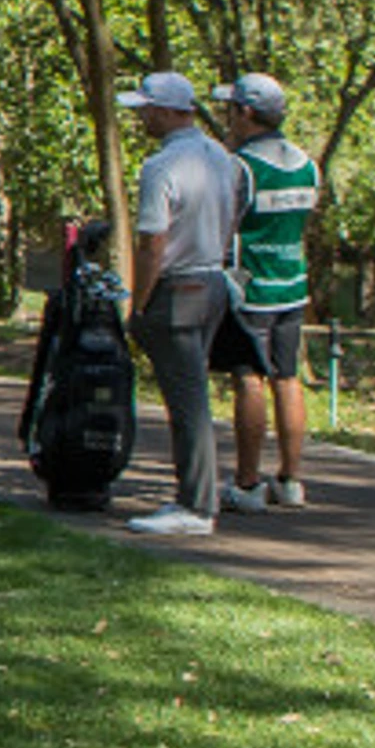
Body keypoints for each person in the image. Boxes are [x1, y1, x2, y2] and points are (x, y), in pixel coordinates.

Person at [120, 70, 250, 535]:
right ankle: (195, 495)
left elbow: (152, 242)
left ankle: (195, 504)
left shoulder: (161, 167)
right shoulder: (221, 157)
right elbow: (233, 217)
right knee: (192, 395)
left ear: (166, 111)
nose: (142, 118)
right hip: (213, 279)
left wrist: (138, 303)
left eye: (146, 110)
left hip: (177, 287)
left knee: (187, 400)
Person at [209, 72, 318, 512]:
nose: (228, 117)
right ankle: (290, 479)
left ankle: (248, 482)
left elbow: (223, 222)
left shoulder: (241, 167)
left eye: (231, 109)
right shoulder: (307, 164)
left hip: (250, 289)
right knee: (287, 378)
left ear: (246, 113)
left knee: (248, 379)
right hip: (292, 286)